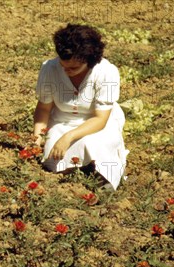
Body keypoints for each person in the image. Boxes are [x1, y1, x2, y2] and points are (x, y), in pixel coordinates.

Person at [33, 24, 128, 190]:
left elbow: (100, 119)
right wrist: (37, 138)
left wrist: (69, 137)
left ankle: (102, 177)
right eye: (63, 66)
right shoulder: (49, 68)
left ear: (88, 61)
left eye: (74, 68)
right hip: (63, 121)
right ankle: (76, 175)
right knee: (54, 158)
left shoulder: (106, 72)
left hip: (96, 124)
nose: (67, 71)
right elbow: (44, 108)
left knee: (91, 144)